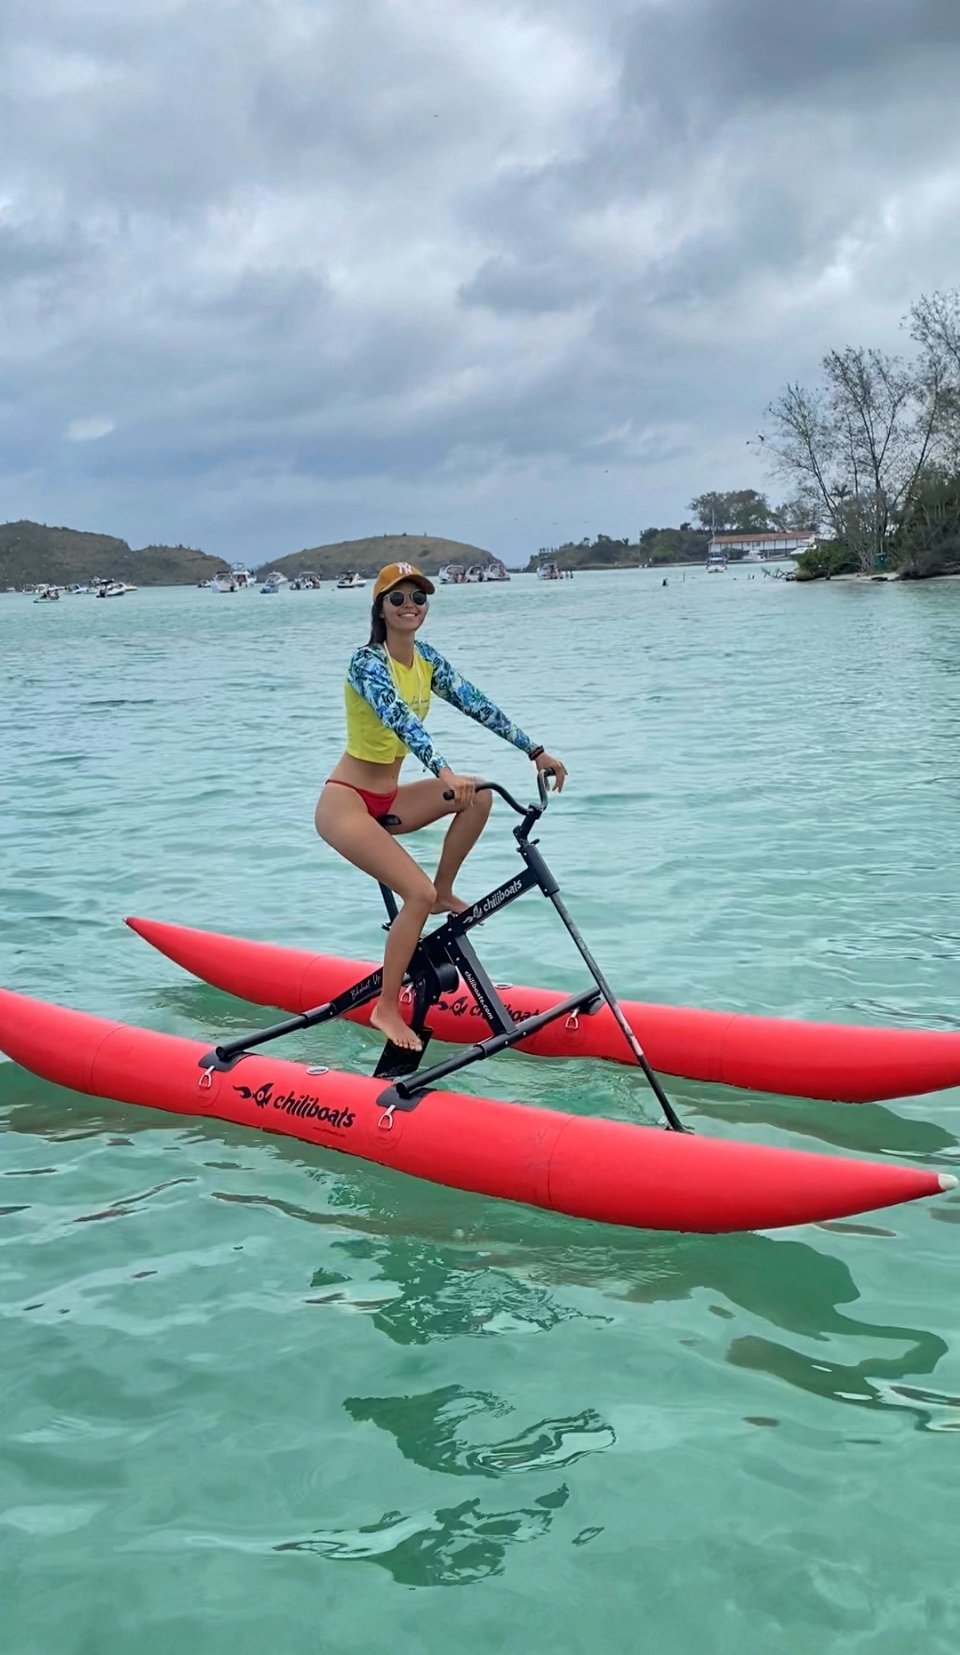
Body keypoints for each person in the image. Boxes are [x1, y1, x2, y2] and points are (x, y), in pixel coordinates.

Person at [315, 561, 567, 1051]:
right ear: (381, 609)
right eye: (398, 599)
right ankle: (386, 1009)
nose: (410, 606)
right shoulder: (366, 663)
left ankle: (446, 887)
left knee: (481, 797)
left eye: (419, 598)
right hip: (345, 803)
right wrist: (441, 770)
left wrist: (534, 750)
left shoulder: (426, 660)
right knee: (416, 895)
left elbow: (477, 703)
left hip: (388, 798)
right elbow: (401, 720)